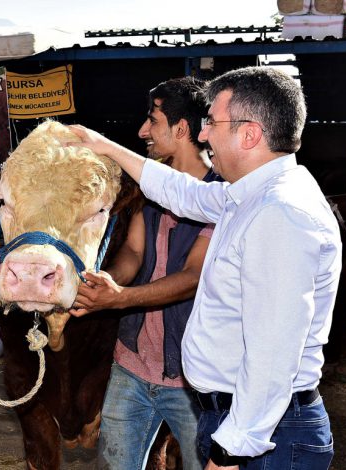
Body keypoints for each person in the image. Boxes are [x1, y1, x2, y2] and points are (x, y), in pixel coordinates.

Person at [70, 66, 340, 469]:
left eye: (212, 122)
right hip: (241, 420)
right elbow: (184, 193)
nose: (202, 134)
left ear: (249, 134)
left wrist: (232, 449)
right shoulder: (250, 196)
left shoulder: (281, 213)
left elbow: (273, 349)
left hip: (266, 436)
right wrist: (105, 147)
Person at [70, 77, 218, 470]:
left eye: (152, 120)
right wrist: (101, 284)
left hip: (193, 380)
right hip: (132, 366)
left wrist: (118, 298)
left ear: (181, 129)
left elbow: (191, 277)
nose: (142, 131)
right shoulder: (152, 187)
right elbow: (134, 252)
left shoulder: (221, 195)